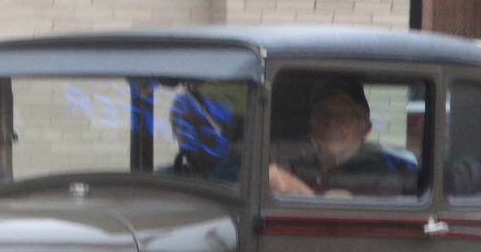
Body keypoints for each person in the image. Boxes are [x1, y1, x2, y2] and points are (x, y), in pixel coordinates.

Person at [269, 77, 418, 197]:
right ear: (310, 123)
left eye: (344, 116)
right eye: (323, 114)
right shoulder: (299, 163)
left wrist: (296, 190)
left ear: (365, 128)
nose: (331, 123)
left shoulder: (380, 176)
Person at [169, 88, 241, 183]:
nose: (186, 133)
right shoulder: (167, 177)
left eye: (197, 123)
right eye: (178, 124)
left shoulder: (238, 179)